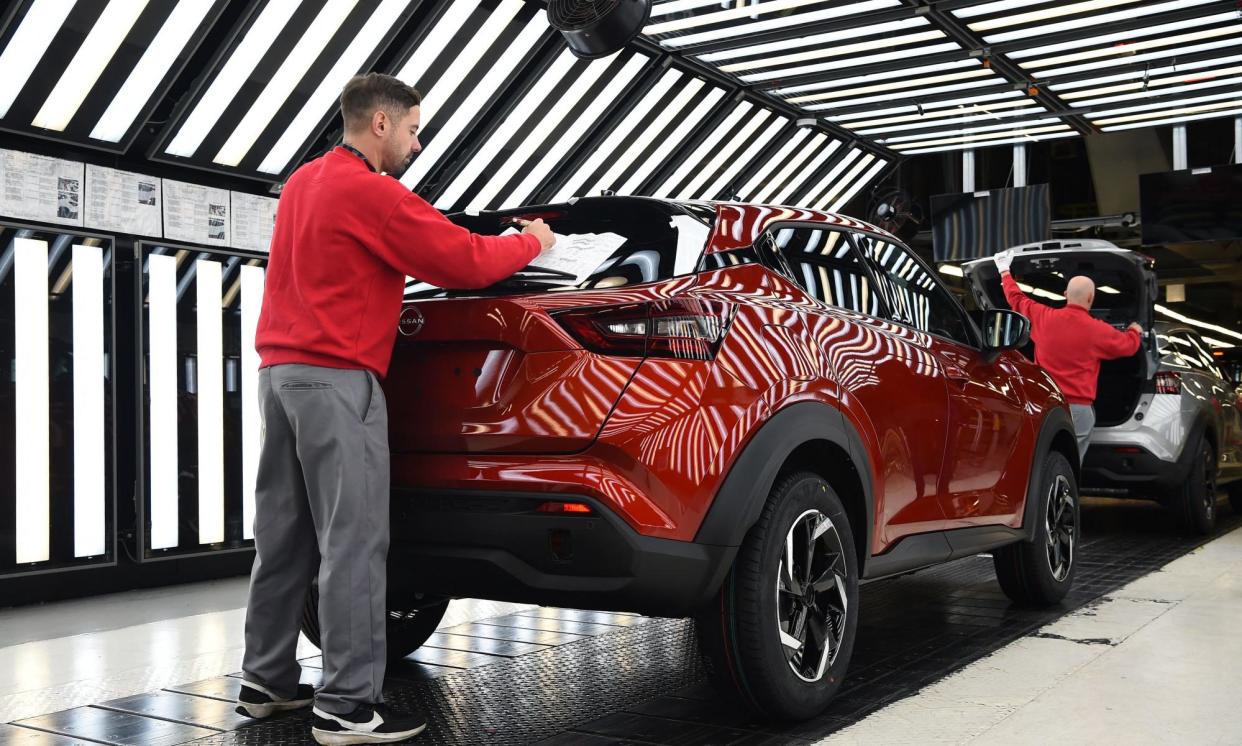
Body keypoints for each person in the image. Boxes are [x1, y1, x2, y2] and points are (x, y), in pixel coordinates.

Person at [235, 72, 554, 745]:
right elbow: (463, 260)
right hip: (335, 380)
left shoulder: (302, 183)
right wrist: (535, 242)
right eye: (412, 128)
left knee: (283, 539)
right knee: (353, 542)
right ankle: (347, 706)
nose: (417, 142)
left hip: (279, 376)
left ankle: (264, 681)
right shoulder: (372, 193)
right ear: (380, 123)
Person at [994, 249, 1142, 460]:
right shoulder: (1098, 331)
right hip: (1079, 411)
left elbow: (1016, 299)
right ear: (1091, 298)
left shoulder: (1043, 317)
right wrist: (1134, 331)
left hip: (1046, 405)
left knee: (1042, 460)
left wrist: (1004, 271)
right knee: (1070, 464)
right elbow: (1128, 347)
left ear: (1065, 295)